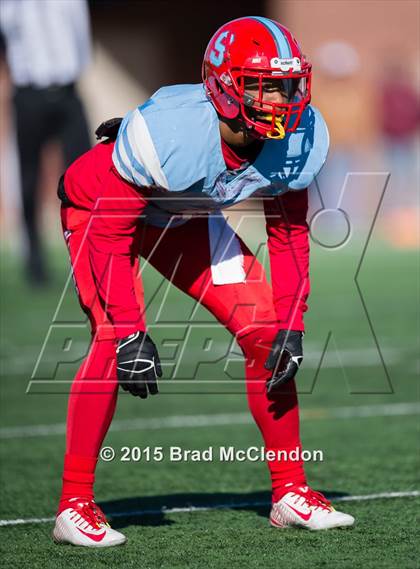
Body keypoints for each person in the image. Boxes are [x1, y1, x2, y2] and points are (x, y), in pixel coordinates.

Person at [52, 17, 355, 547]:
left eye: (287, 84)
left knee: (268, 334)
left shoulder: (296, 138)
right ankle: (73, 505)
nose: (280, 99)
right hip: (101, 210)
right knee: (112, 343)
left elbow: (288, 236)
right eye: (263, 86)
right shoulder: (172, 134)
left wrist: (292, 321)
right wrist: (128, 330)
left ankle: (289, 492)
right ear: (223, 86)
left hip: (185, 215)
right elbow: (110, 232)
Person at [0, 0, 91, 284]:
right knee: (29, 176)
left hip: (67, 90)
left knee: (86, 174)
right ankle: (34, 259)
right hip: (29, 93)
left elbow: (80, 35)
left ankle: (92, 250)